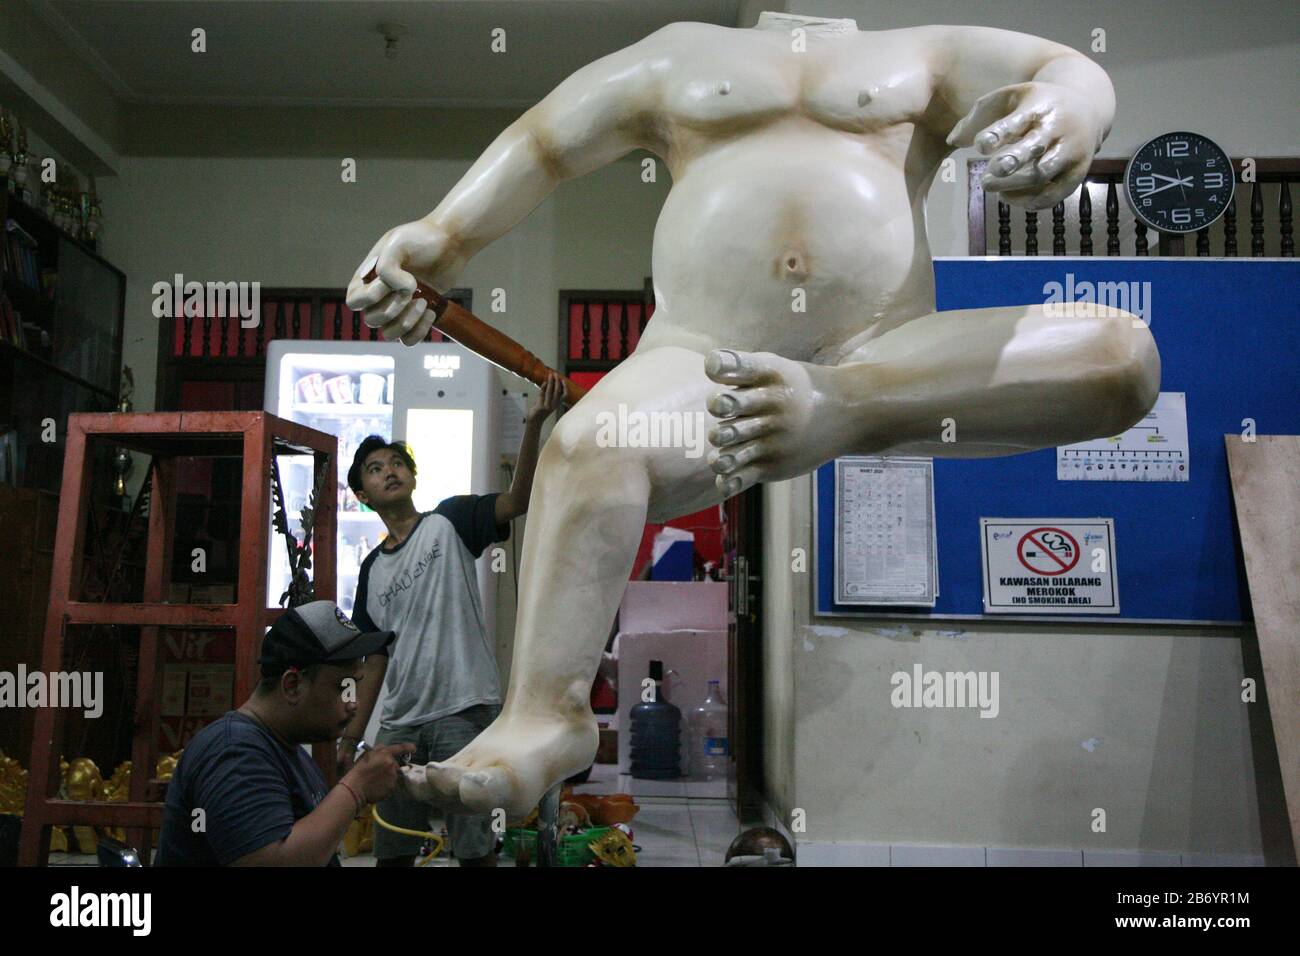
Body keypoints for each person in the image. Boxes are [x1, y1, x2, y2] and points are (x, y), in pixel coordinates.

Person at [346, 12, 1160, 818]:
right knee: (589, 442)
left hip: (888, 353)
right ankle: (542, 718)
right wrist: (444, 233)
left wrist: (1074, 110)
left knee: (1120, 356)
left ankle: (840, 406)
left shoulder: (926, 48)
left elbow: (1066, 65)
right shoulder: (681, 50)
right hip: (706, 358)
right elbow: (545, 142)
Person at [338, 372, 563, 866]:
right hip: (400, 724)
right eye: (376, 469)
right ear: (363, 493)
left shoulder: (448, 521)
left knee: (474, 847)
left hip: (464, 711)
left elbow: (518, 501)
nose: (390, 471)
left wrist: (533, 426)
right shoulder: (371, 570)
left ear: (413, 476)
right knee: (393, 847)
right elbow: (374, 659)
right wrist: (353, 736)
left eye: (398, 463)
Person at [155, 601, 412, 866]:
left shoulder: (286, 752)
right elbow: (270, 861)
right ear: (292, 685)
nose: (353, 702)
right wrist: (356, 788)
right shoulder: (234, 752)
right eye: (342, 687)